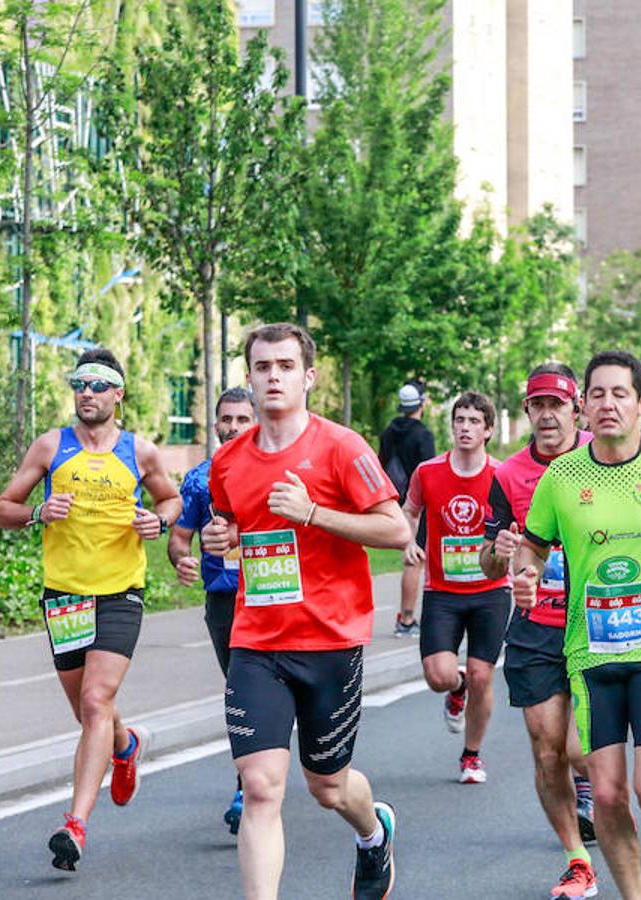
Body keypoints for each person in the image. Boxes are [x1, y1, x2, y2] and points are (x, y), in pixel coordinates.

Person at [201, 323, 408, 900]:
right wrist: (226, 538)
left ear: (308, 377)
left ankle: (373, 834)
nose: (274, 376)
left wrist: (314, 513)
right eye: (263, 366)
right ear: (249, 377)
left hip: (330, 641)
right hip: (258, 642)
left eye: (285, 366)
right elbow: (239, 525)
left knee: (328, 786)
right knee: (263, 786)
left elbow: (397, 529)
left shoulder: (341, 446)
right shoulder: (229, 461)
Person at [512, 350, 641, 899]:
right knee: (606, 795)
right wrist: (525, 576)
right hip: (590, 653)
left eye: (620, 394)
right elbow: (532, 547)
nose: (608, 404)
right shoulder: (562, 476)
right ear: (583, 406)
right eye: (598, 394)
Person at [0, 348, 182, 872]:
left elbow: (171, 499)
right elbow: (1, 509)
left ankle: (74, 824)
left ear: (118, 394)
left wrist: (159, 522)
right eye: (80, 384)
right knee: (87, 713)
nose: (87, 393)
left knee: (97, 700)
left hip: (120, 591)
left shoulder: (139, 452)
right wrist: (37, 511)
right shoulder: (51, 446)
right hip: (65, 595)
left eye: (99, 385)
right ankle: (126, 744)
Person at [479, 365, 600, 899]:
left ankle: (604, 789)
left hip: (601, 625)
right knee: (545, 747)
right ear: (527, 412)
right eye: (537, 405)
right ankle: (577, 859)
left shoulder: (607, 458)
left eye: (557, 404)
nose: (547, 415)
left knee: (581, 749)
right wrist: (496, 553)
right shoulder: (507, 475)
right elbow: (487, 563)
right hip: (535, 626)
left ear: (577, 409)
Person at [404, 391, 509, 784]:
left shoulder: (501, 474)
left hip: (491, 589)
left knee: (485, 674)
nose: (465, 428)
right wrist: (407, 541)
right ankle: (456, 687)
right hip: (443, 591)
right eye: (459, 420)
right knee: (438, 675)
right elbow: (410, 510)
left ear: (488, 430)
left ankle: (471, 756)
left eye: (474, 422)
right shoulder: (428, 472)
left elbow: (520, 520)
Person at [169, 386, 257, 835]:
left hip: (271, 599)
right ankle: (251, 783)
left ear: (256, 422)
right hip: (224, 600)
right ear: (216, 423)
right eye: (228, 419)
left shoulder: (275, 473)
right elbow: (180, 537)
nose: (234, 427)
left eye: (243, 419)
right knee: (241, 691)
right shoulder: (200, 480)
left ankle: (255, 782)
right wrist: (180, 559)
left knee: (258, 693)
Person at [379, 382, 435, 638]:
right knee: (415, 559)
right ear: (421, 403)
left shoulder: (389, 430)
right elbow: (429, 473)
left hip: (393, 501)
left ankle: (405, 617)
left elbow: (380, 465)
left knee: (409, 558)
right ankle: (408, 619)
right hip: (417, 504)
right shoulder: (423, 435)